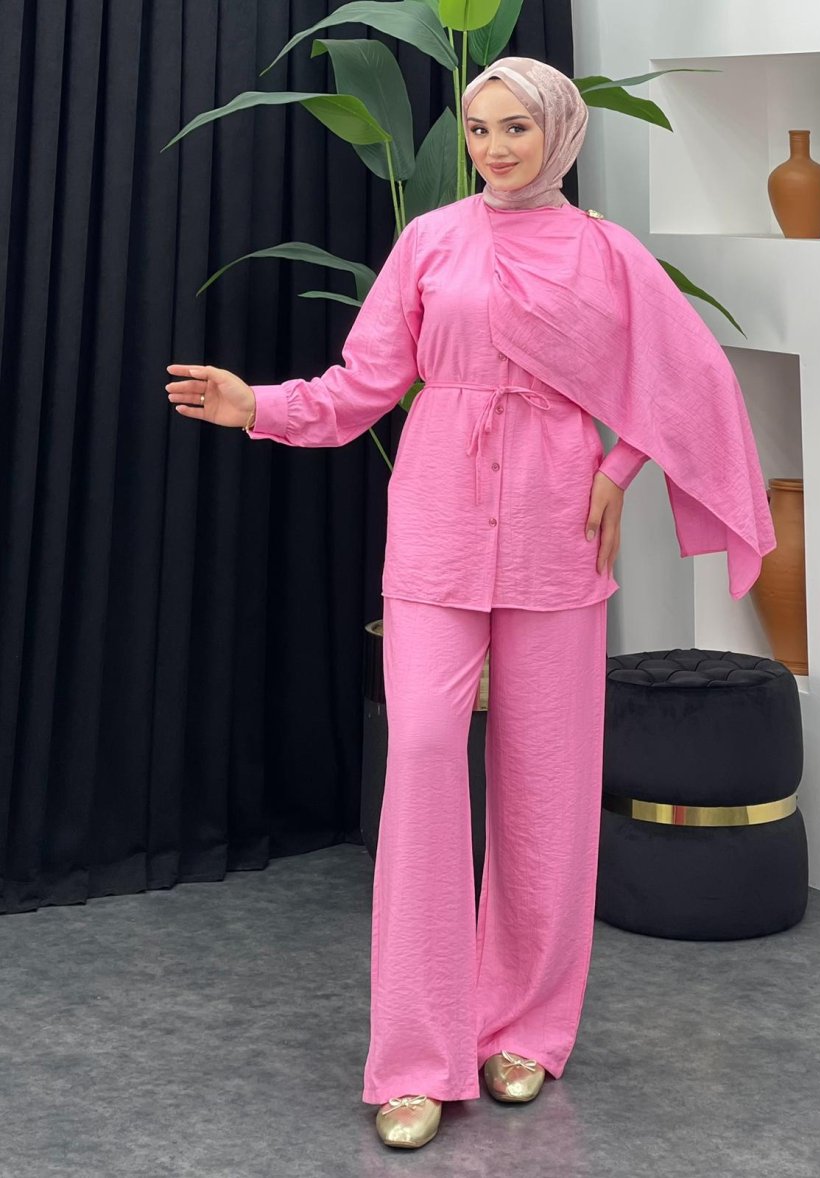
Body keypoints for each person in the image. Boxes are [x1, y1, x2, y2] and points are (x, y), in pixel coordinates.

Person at [165, 57, 775, 1150]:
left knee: (547, 783)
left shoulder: (605, 253)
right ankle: (415, 1056)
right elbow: (360, 388)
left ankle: (525, 1030)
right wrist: (257, 404)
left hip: (555, 529)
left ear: (559, 136)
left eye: (515, 130)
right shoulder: (431, 241)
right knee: (422, 757)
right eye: (480, 129)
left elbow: (681, 375)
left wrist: (620, 465)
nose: (493, 148)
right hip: (438, 525)